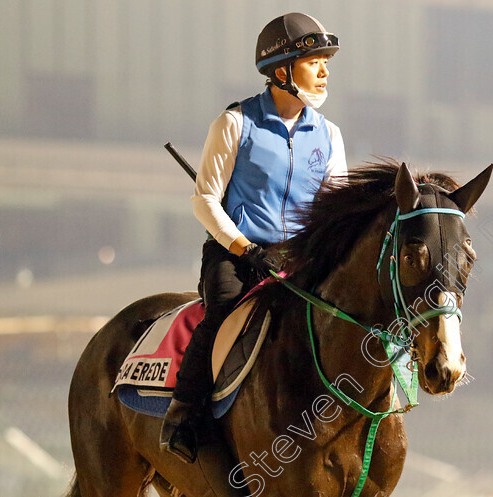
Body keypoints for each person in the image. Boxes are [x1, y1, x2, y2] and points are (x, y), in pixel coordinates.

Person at [160, 12, 347, 463]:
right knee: (222, 313)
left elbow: (334, 213)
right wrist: (246, 248)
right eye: (314, 61)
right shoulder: (234, 123)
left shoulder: (331, 136)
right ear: (281, 70)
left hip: (298, 261)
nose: (324, 71)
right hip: (236, 254)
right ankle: (185, 417)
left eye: (326, 61)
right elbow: (205, 200)